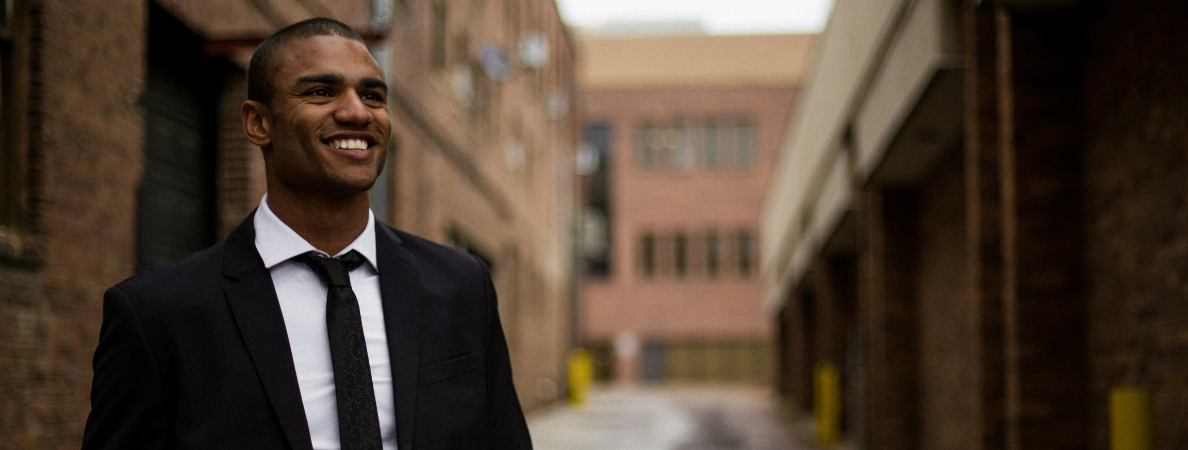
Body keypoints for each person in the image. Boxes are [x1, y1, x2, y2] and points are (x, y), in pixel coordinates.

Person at [81, 18, 531, 450]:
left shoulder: (460, 287)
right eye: (321, 91)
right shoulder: (158, 314)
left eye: (373, 95)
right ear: (259, 123)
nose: (357, 111)